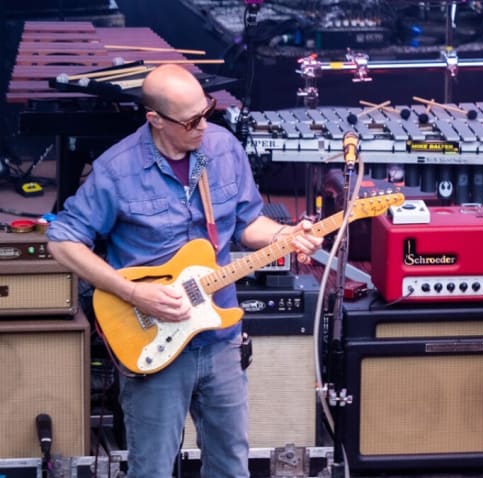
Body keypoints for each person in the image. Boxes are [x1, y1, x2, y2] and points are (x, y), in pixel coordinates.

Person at [46, 64, 323, 477]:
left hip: (220, 337)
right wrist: (133, 293)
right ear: (155, 120)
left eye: (206, 111)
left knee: (231, 466)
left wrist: (286, 234)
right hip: (152, 341)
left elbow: (247, 224)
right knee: (153, 469)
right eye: (191, 120)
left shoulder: (224, 149)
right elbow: (62, 240)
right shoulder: (117, 170)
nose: (202, 126)